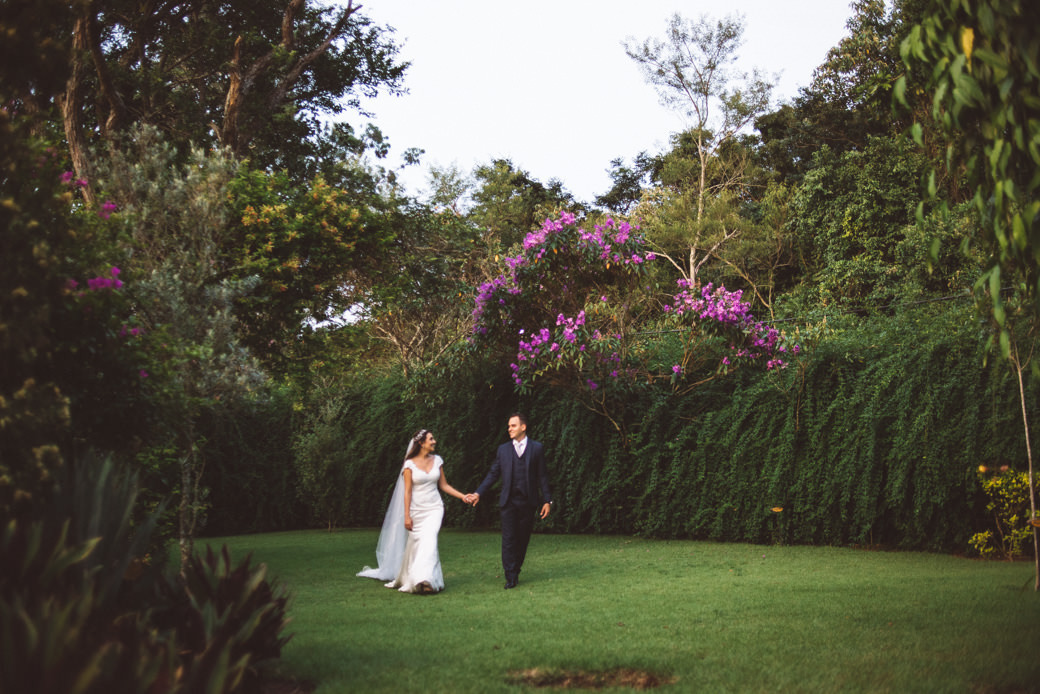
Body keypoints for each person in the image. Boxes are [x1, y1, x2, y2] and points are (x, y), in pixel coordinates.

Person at [358, 429, 468, 594]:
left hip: (434, 508)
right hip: (417, 510)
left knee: (429, 541)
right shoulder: (409, 465)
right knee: (417, 545)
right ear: (421, 443)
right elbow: (407, 492)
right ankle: (418, 578)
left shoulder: (437, 460)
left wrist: (463, 496)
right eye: (431, 439)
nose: (434, 441)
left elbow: (444, 485)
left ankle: (425, 581)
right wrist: (407, 516)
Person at [465, 412, 552, 589]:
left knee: (522, 539)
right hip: (508, 502)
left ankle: (516, 568)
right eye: (509, 426)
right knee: (509, 539)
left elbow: (543, 476)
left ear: (523, 427)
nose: (509, 429)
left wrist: (547, 501)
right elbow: (493, 474)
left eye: (513, 426)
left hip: (528, 502)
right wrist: (478, 493)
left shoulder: (537, 448)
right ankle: (510, 576)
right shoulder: (503, 450)